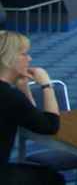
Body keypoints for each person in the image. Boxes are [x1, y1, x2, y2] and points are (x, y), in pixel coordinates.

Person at [0, 31, 64, 185]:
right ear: (9, 59)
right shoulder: (9, 96)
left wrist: (23, 87)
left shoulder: (11, 95)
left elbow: (32, 118)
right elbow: (49, 126)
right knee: (52, 178)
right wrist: (47, 85)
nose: (30, 58)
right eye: (24, 54)